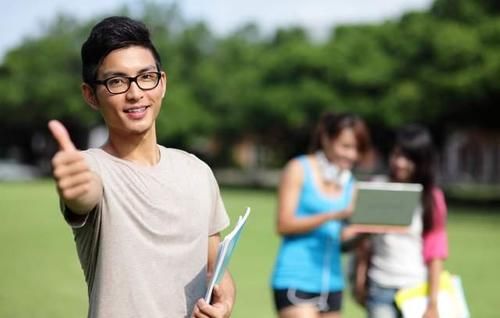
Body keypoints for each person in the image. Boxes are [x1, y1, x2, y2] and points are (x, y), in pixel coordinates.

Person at [48, 16, 235, 318]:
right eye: (116, 81)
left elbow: (216, 268)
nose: (135, 93)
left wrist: (224, 302)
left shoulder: (197, 172)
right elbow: (84, 195)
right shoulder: (91, 168)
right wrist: (76, 189)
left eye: (145, 77)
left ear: (162, 83)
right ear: (90, 95)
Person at [270, 112, 372, 318]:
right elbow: (284, 225)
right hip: (295, 278)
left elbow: (343, 240)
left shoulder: (349, 183)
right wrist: (333, 215)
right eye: (345, 146)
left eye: (357, 149)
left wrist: (368, 230)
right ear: (326, 139)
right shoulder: (298, 169)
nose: (352, 155)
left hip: (333, 282)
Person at [355, 124, 449, 318]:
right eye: (396, 155)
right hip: (380, 286)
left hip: (416, 289)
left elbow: (435, 252)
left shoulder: (431, 198)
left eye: (408, 158)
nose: (400, 163)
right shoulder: (378, 188)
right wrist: (360, 279)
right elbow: (365, 243)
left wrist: (433, 303)